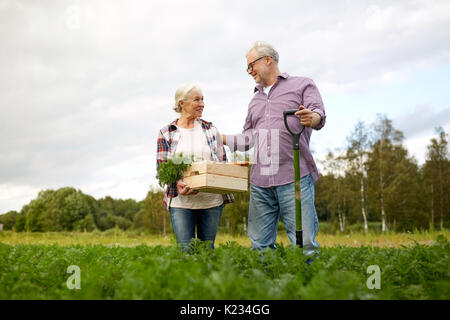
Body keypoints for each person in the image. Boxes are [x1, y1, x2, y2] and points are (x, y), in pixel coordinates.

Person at [222, 41, 326, 257]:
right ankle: (266, 288)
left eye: (251, 65)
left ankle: (308, 288)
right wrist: (221, 138)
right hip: (261, 182)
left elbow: (318, 114)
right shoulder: (255, 101)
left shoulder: (302, 85)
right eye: (247, 68)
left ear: (267, 60)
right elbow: (248, 139)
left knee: (304, 244)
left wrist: (311, 117)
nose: (249, 71)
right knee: (260, 246)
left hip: (294, 177)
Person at [156, 84, 234, 251]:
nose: (202, 104)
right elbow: (162, 167)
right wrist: (177, 182)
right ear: (181, 103)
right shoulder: (167, 132)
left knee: (207, 250)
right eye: (197, 100)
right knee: (186, 251)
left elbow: (222, 162)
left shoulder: (210, 129)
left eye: (203, 99)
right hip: (181, 202)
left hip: (210, 201)